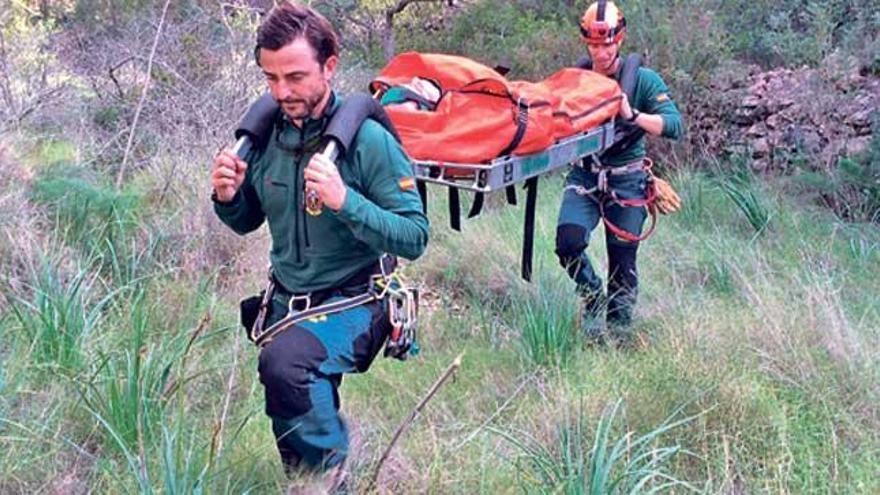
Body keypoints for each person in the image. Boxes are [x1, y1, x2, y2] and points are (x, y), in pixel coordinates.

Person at [210, 1, 429, 488]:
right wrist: (227, 197)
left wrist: (345, 201)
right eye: (270, 78)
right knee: (293, 394)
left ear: (330, 66)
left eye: (295, 77)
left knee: (287, 365)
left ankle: (329, 485)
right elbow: (246, 221)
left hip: (358, 301)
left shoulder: (368, 141)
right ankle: (309, 481)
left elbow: (415, 237)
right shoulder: (266, 139)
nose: (282, 92)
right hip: (287, 303)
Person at [555, 0, 683, 343]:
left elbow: (673, 124)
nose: (601, 52)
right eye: (595, 44)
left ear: (620, 39)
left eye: (607, 43)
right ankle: (592, 294)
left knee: (622, 263)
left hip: (627, 179)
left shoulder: (642, 80)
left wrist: (633, 115)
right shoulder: (577, 80)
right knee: (567, 244)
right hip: (584, 176)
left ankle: (619, 333)